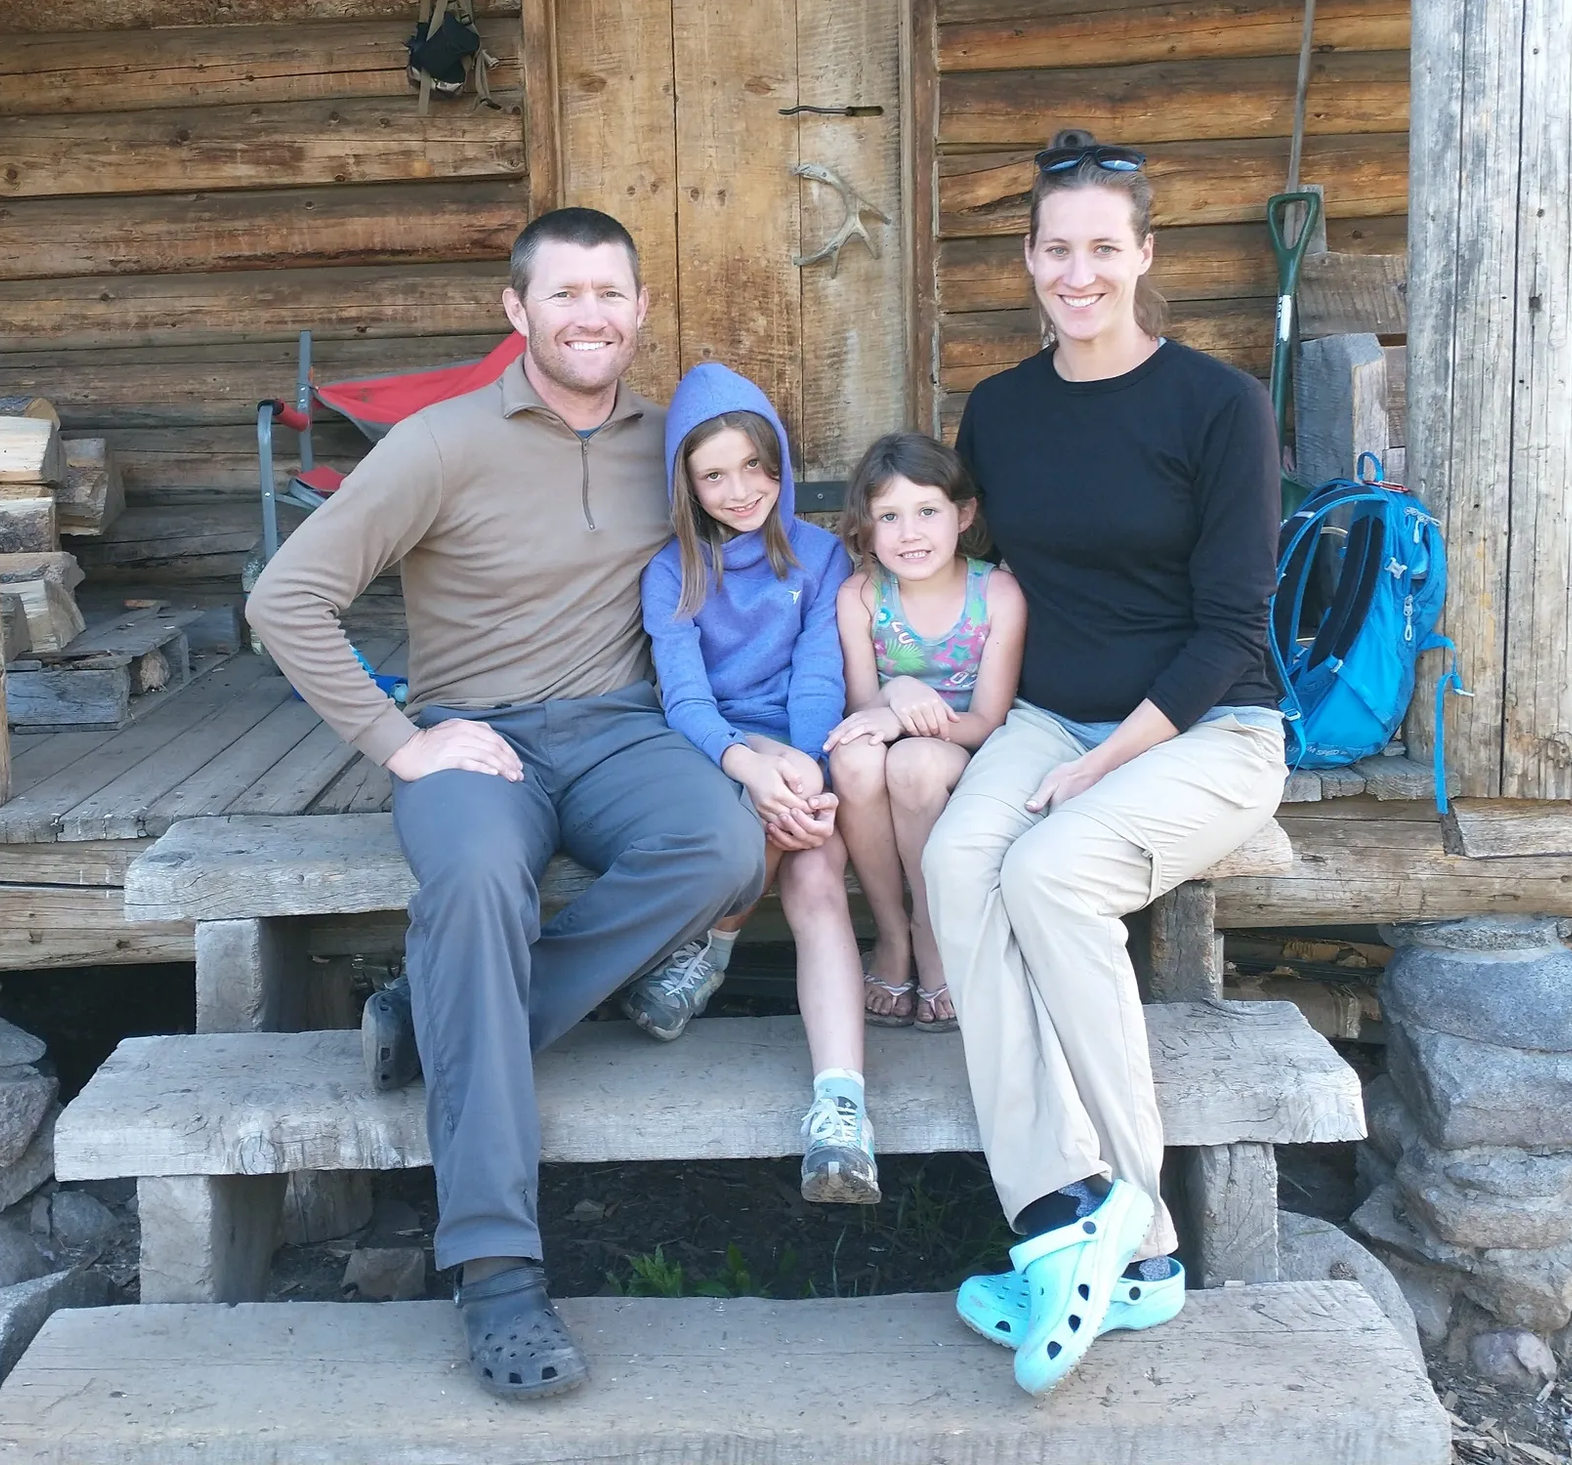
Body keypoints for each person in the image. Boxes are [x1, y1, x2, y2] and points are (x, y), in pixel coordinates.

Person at [244, 208, 765, 1403]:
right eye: (565, 293)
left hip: (626, 731)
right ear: (515, 310)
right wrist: (397, 739)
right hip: (478, 740)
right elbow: (287, 597)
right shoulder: (440, 443)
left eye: (611, 294)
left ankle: (438, 1026)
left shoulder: (675, 440)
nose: (591, 315)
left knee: (725, 844)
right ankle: (495, 1269)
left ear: (640, 309)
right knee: (478, 886)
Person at [924, 130, 1288, 1397]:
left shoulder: (1217, 404)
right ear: (1027, 260)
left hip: (1203, 728)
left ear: (1143, 256)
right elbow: (981, 575)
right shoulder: (1003, 410)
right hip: (1046, 716)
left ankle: (1145, 1226)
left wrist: (1104, 761)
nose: (1075, 273)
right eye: (1053, 250)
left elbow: (1233, 629)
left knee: (1053, 875)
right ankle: (1058, 1215)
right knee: (960, 863)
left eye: (1101, 249)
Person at [634, 362, 868, 1202]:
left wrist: (805, 767)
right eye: (714, 474)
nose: (740, 489)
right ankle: (720, 942)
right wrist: (752, 765)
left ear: (781, 460)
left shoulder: (820, 554)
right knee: (774, 826)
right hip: (708, 749)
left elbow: (819, 676)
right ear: (686, 484)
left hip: (803, 749)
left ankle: (841, 1108)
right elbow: (686, 696)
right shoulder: (673, 571)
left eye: (755, 465)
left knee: (817, 880)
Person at [824, 433, 1024, 1034]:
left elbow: (988, 722)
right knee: (853, 760)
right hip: (887, 744)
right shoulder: (861, 595)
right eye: (889, 516)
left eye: (927, 512)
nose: (909, 533)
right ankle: (891, 932)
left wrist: (911, 713)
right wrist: (895, 695)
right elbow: (862, 709)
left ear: (963, 515)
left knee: (913, 763)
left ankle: (931, 932)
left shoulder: (997, 594)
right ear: (865, 528)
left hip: (963, 750)